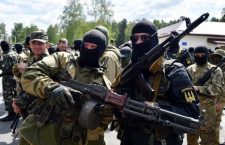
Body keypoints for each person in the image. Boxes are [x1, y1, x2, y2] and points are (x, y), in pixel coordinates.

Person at [113, 20, 200, 145]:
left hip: (161, 140)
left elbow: (192, 114)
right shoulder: (130, 70)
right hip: (129, 138)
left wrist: (157, 110)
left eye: (144, 38)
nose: (138, 42)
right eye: (135, 38)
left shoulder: (173, 70)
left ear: (154, 40)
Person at [19, 29, 112, 145]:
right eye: (86, 45)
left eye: (93, 47)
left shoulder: (104, 85)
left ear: (101, 51)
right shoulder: (63, 59)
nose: (88, 49)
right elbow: (30, 74)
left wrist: (103, 114)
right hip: (39, 133)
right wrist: (51, 88)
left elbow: (98, 128)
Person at [186, 46, 224, 145]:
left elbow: (218, 88)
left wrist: (199, 88)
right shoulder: (189, 69)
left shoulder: (215, 70)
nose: (200, 56)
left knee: (208, 138)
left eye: (202, 55)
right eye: (197, 55)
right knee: (191, 137)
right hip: (192, 108)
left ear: (207, 55)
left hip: (208, 109)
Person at [12, 30, 50, 119]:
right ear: (29, 44)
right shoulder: (32, 59)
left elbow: (38, 89)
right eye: (34, 43)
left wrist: (18, 102)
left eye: (40, 43)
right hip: (28, 108)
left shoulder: (48, 62)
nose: (36, 46)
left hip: (41, 111)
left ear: (47, 44)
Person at [209, 49, 225, 145]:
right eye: (215, 57)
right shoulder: (213, 68)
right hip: (209, 100)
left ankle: (215, 142)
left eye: (219, 57)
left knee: (215, 124)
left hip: (218, 101)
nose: (216, 59)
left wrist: (221, 102)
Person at [0, 40, 19, 121]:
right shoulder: (15, 53)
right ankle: (15, 112)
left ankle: (11, 114)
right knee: (14, 94)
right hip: (15, 78)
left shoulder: (7, 55)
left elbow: (6, 69)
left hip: (8, 79)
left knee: (8, 96)